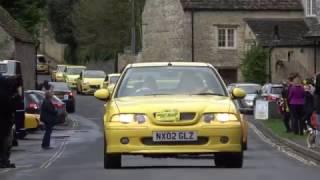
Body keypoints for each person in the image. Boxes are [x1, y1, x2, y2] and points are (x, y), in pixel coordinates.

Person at [0, 73, 16, 168]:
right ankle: (4, 161)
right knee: (6, 143)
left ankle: (4, 161)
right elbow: (10, 108)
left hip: (5, 123)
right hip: (5, 124)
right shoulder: (5, 95)